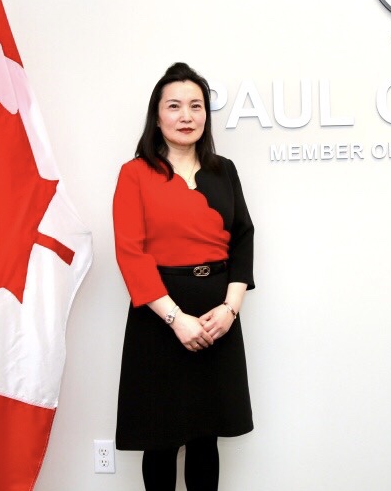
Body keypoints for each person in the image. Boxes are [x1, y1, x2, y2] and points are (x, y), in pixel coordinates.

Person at [112, 62, 255, 491]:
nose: (186, 116)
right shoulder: (135, 173)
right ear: (157, 117)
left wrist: (230, 309)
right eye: (174, 106)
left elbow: (243, 237)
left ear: (206, 115)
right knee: (160, 438)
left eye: (196, 106)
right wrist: (176, 319)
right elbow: (130, 253)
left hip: (217, 313)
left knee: (205, 437)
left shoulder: (224, 170)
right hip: (160, 316)